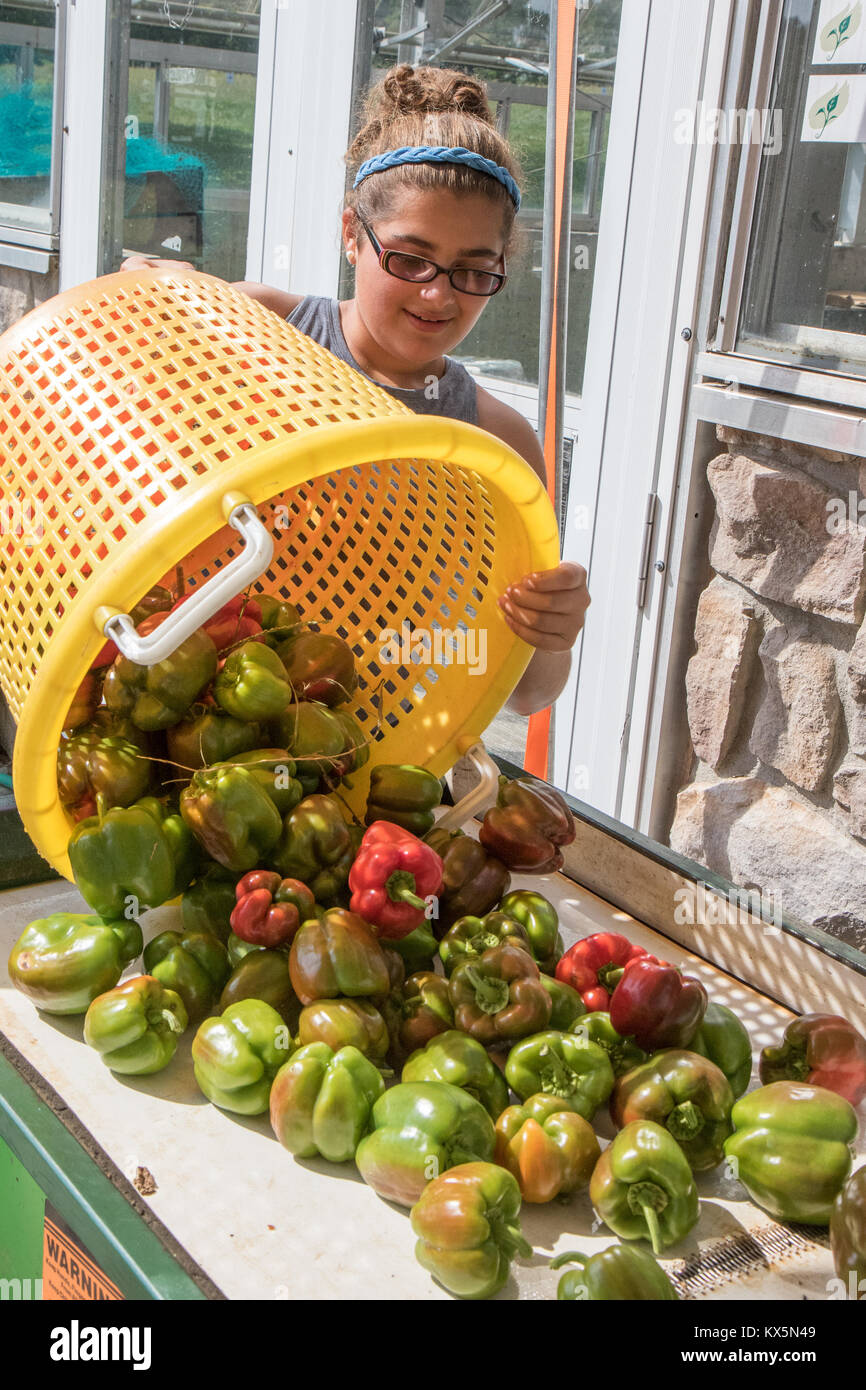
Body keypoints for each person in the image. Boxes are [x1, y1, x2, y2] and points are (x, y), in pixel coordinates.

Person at [122, 64, 590, 718]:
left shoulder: (498, 442)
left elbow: (529, 696)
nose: (438, 293)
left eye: (474, 270)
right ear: (352, 234)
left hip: (359, 755)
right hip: (179, 713)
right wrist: (139, 291)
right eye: (408, 257)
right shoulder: (251, 329)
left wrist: (553, 635)